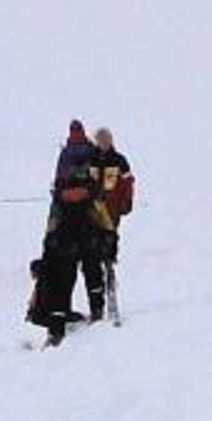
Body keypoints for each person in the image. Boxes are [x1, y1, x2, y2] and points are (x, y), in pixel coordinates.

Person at [28, 164, 104, 345]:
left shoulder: (61, 202)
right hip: (84, 239)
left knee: (61, 284)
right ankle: (97, 313)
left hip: (65, 244)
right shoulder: (91, 198)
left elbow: (52, 227)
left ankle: (56, 331)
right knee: (92, 275)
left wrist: (45, 257)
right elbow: (102, 220)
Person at [87, 127, 135, 319]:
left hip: (111, 211)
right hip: (93, 211)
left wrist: (127, 202)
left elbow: (129, 183)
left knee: (109, 244)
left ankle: (111, 279)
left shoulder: (119, 160)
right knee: (93, 250)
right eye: (101, 141)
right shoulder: (92, 159)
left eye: (106, 140)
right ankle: (100, 292)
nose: (104, 144)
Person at [55, 119, 96, 185]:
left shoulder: (91, 149)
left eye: (78, 129)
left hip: (89, 184)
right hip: (69, 185)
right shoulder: (65, 153)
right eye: (73, 130)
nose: (75, 133)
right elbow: (61, 172)